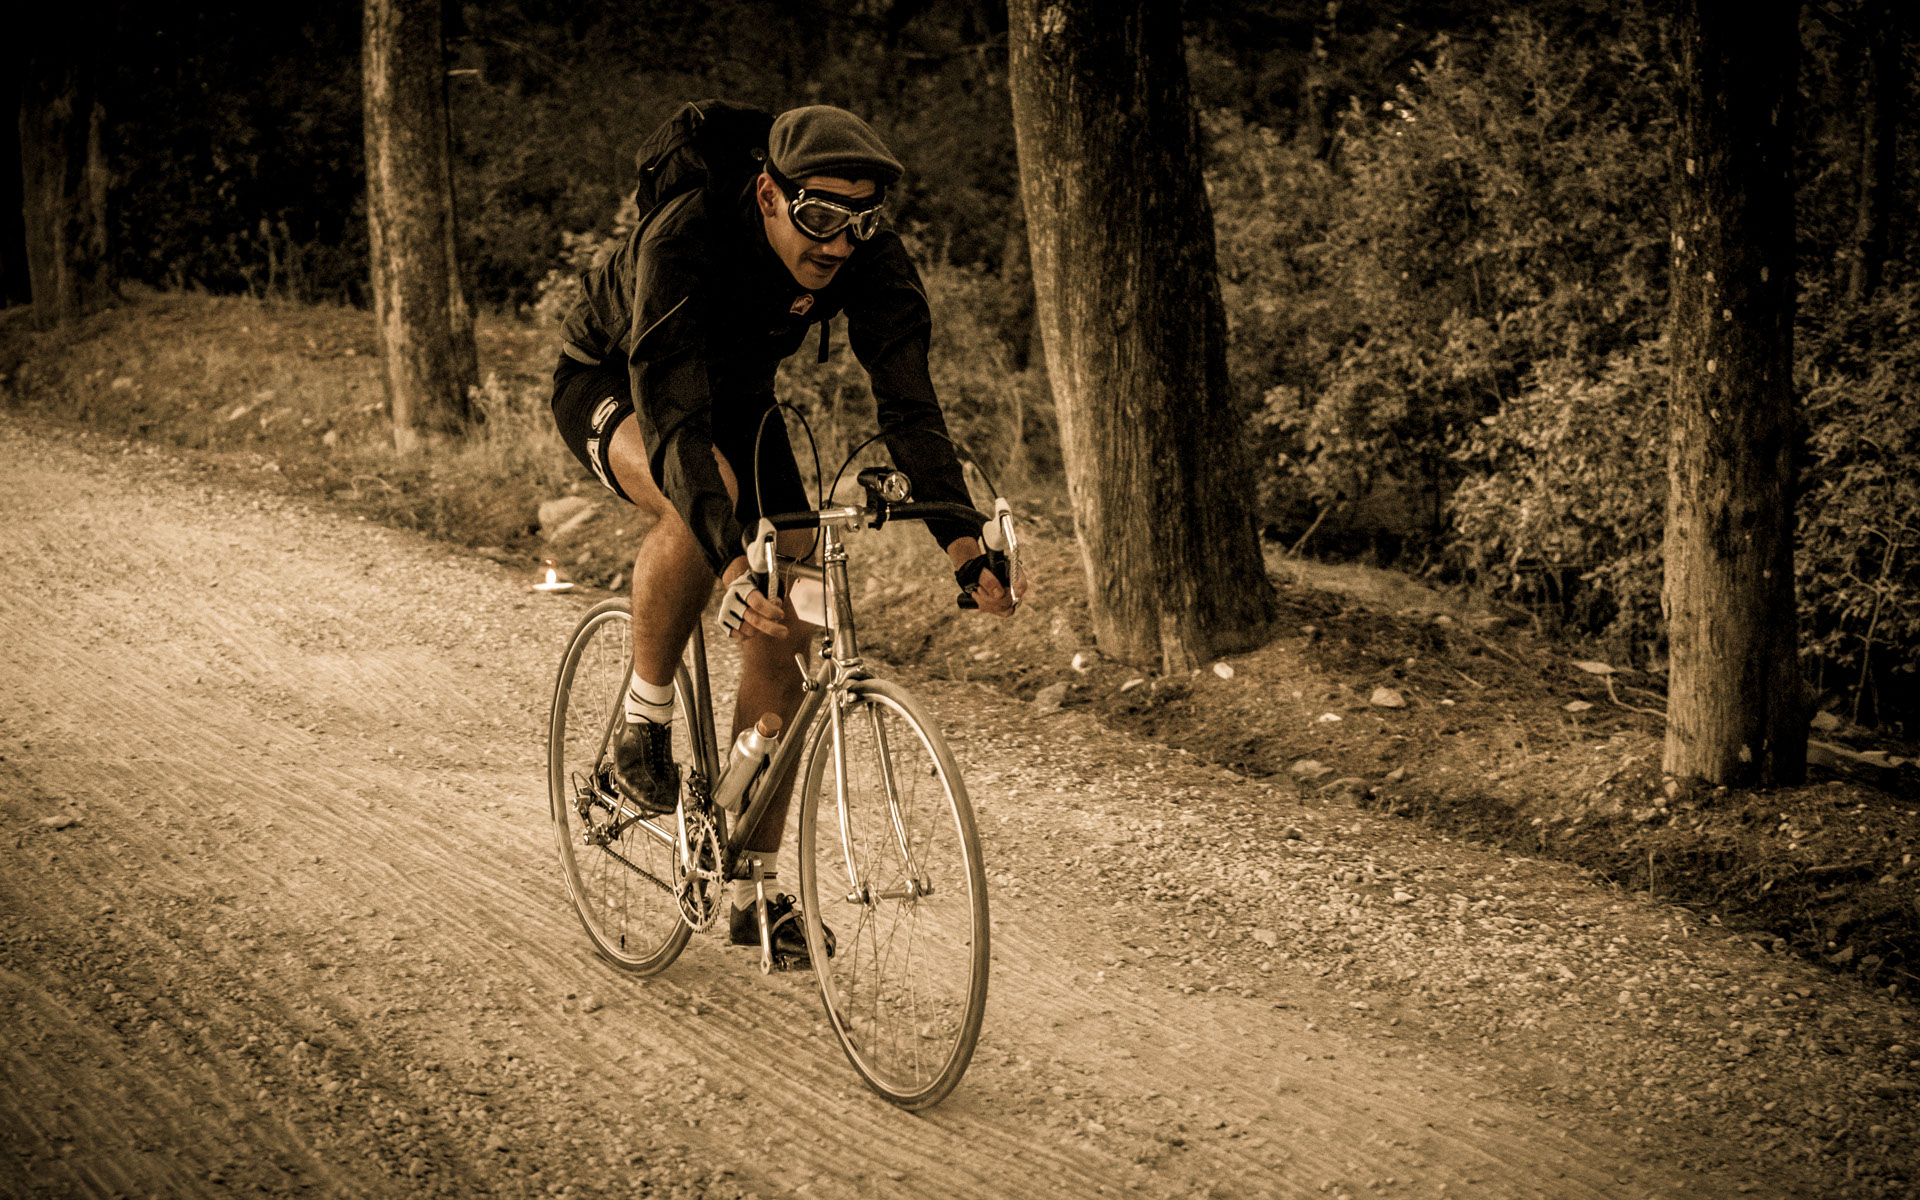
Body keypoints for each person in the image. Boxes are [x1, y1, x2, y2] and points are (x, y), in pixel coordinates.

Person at [550, 105, 1022, 968]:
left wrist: (962, 546)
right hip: (621, 382)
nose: (838, 241)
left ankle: (750, 885)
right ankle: (641, 726)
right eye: (817, 218)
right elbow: (678, 427)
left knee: (796, 597)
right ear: (768, 193)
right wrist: (729, 562)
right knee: (711, 506)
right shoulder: (685, 236)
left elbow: (909, 405)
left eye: (859, 220)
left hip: (737, 398)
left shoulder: (865, 251)